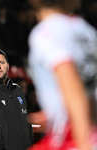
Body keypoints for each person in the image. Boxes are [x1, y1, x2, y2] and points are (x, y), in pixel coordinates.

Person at [27, 0, 97, 150]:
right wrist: (55, 112)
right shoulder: (84, 29)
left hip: (75, 135)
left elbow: (73, 86)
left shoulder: (46, 33)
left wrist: (84, 143)